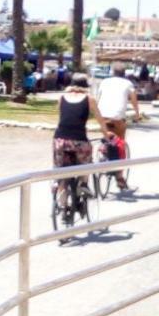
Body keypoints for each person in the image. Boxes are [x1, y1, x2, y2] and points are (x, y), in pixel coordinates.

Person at [52, 75, 109, 216]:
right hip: (79, 141)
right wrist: (106, 135)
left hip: (60, 140)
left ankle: (62, 204)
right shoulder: (90, 99)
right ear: (86, 86)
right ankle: (83, 184)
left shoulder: (61, 98)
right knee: (86, 160)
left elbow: (63, 118)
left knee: (61, 172)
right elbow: (100, 120)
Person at [95, 64, 141, 191]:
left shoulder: (104, 82)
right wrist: (137, 114)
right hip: (117, 118)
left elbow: (98, 99)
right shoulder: (128, 83)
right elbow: (134, 100)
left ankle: (104, 150)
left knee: (106, 136)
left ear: (112, 72)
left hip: (103, 116)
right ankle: (120, 178)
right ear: (124, 73)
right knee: (120, 145)